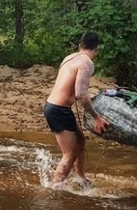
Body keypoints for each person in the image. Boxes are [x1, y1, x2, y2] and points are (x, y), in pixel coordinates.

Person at [44, 32, 109, 188]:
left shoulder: (69, 58)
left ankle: (81, 178)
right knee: (70, 154)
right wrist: (97, 118)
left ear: (80, 46)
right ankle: (54, 189)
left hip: (54, 106)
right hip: (58, 110)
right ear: (97, 49)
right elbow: (81, 94)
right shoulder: (87, 63)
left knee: (80, 140)